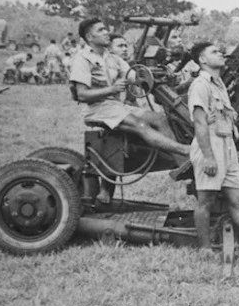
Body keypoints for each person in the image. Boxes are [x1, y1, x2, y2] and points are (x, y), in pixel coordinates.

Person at [70, 17, 190, 205]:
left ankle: (181, 164)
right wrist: (112, 89)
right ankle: (184, 150)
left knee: (159, 119)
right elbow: (82, 94)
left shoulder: (113, 59)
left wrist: (158, 76)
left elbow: (136, 76)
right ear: (89, 36)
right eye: (101, 30)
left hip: (117, 106)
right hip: (98, 109)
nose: (106, 32)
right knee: (140, 124)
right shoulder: (82, 59)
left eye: (105, 29)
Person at [188, 41, 239, 254]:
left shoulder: (219, 84)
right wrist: (208, 156)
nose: (221, 54)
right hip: (210, 146)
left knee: (238, 198)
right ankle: (205, 248)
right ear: (202, 60)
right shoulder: (200, 85)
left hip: (227, 145)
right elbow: (199, 123)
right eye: (214, 52)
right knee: (205, 200)